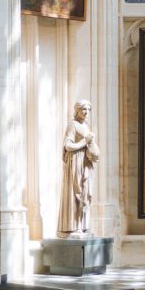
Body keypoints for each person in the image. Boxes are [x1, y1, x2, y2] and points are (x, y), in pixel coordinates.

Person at [56, 99, 100, 236]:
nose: (86, 112)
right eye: (83, 109)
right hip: (75, 162)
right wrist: (84, 141)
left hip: (85, 162)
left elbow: (89, 145)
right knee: (75, 192)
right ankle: (72, 227)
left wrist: (93, 153)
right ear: (77, 110)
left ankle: (83, 226)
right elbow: (68, 145)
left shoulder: (86, 126)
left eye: (88, 110)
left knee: (85, 193)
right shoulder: (72, 125)